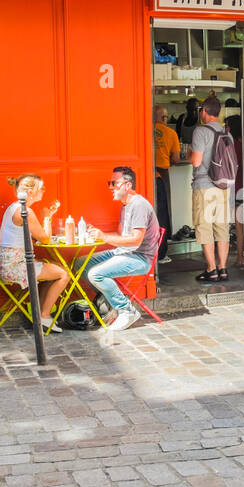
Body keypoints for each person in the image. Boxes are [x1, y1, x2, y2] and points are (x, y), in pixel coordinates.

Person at [86, 166, 160, 331]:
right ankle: (108, 302)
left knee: (95, 274)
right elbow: (121, 235)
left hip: (140, 258)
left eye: (114, 183)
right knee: (81, 264)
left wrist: (103, 237)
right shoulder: (125, 206)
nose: (110, 187)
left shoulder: (139, 205)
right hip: (123, 252)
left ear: (127, 185)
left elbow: (135, 240)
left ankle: (126, 310)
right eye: (109, 183)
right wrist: (97, 234)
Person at [0, 175, 67, 333]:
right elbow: (45, 239)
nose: (43, 191)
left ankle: (39, 315)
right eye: (41, 188)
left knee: (56, 267)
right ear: (30, 191)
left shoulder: (13, 207)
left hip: (9, 264)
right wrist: (47, 217)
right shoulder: (25, 211)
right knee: (64, 274)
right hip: (14, 268)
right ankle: (44, 315)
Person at [190, 95, 231, 283]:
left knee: (204, 227)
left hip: (204, 186)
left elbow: (197, 161)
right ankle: (223, 268)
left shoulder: (200, 131)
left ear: (204, 111)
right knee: (221, 227)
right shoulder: (226, 132)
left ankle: (211, 269)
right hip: (222, 187)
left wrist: (191, 154)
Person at [153, 105, 186, 264]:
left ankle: (149, 253)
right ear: (163, 118)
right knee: (162, 215)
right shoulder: (171, 133)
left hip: (146, 175)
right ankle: (161, 253)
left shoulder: (144, 130)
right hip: (161, 177)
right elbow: (176, 159)